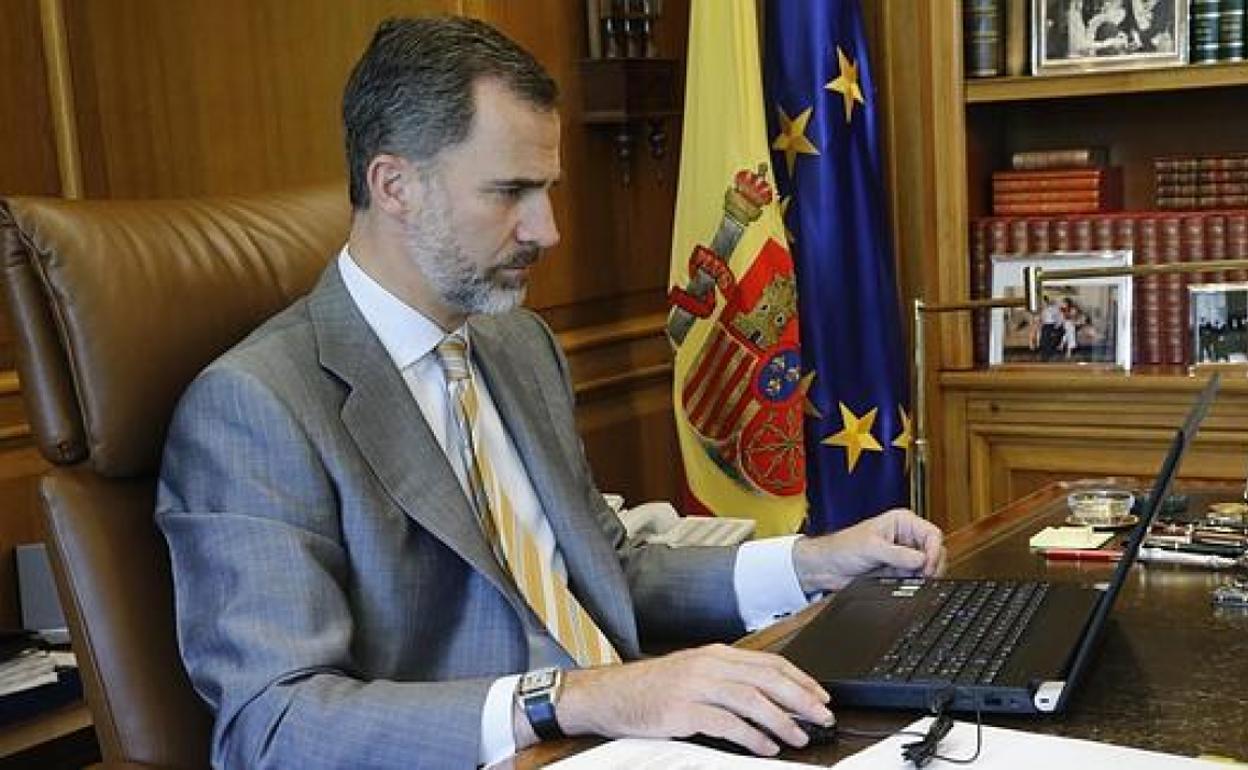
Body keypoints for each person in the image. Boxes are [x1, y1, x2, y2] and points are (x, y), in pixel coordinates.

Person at [156, 16, 945, 770]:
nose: (548, 230)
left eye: (548, 189)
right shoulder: (257, 406)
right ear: (394, 185)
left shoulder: (516, 344)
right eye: (510, 192)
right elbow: (274, 724)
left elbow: (607, 566)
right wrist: (579, 698)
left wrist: (812, 563)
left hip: (641, 740)